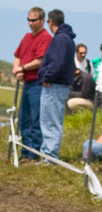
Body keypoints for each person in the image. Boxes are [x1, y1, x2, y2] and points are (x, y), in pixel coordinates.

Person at [12, 6, 52, 163]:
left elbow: (40, 60)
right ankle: (25, 151)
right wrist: (18, 70)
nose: (30, 23)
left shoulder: (45, 37)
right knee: (24, 119)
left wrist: (22, 67)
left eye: (34, 20)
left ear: (42, 20)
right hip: (27, 82)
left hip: (37, 83)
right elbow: (17, 55)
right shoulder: (26, 37)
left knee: (36, 119)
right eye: (28, 20)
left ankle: (34, 152)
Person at [38, 9, 76, 162]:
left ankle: (50, 155)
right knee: (50, 119)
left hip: (55, 85)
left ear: (51, 22)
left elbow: (57, 61)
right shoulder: (65, 38)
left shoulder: (61, 39)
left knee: (51, 120)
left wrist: (47, 76)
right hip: (58, 84)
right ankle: (47, 152)